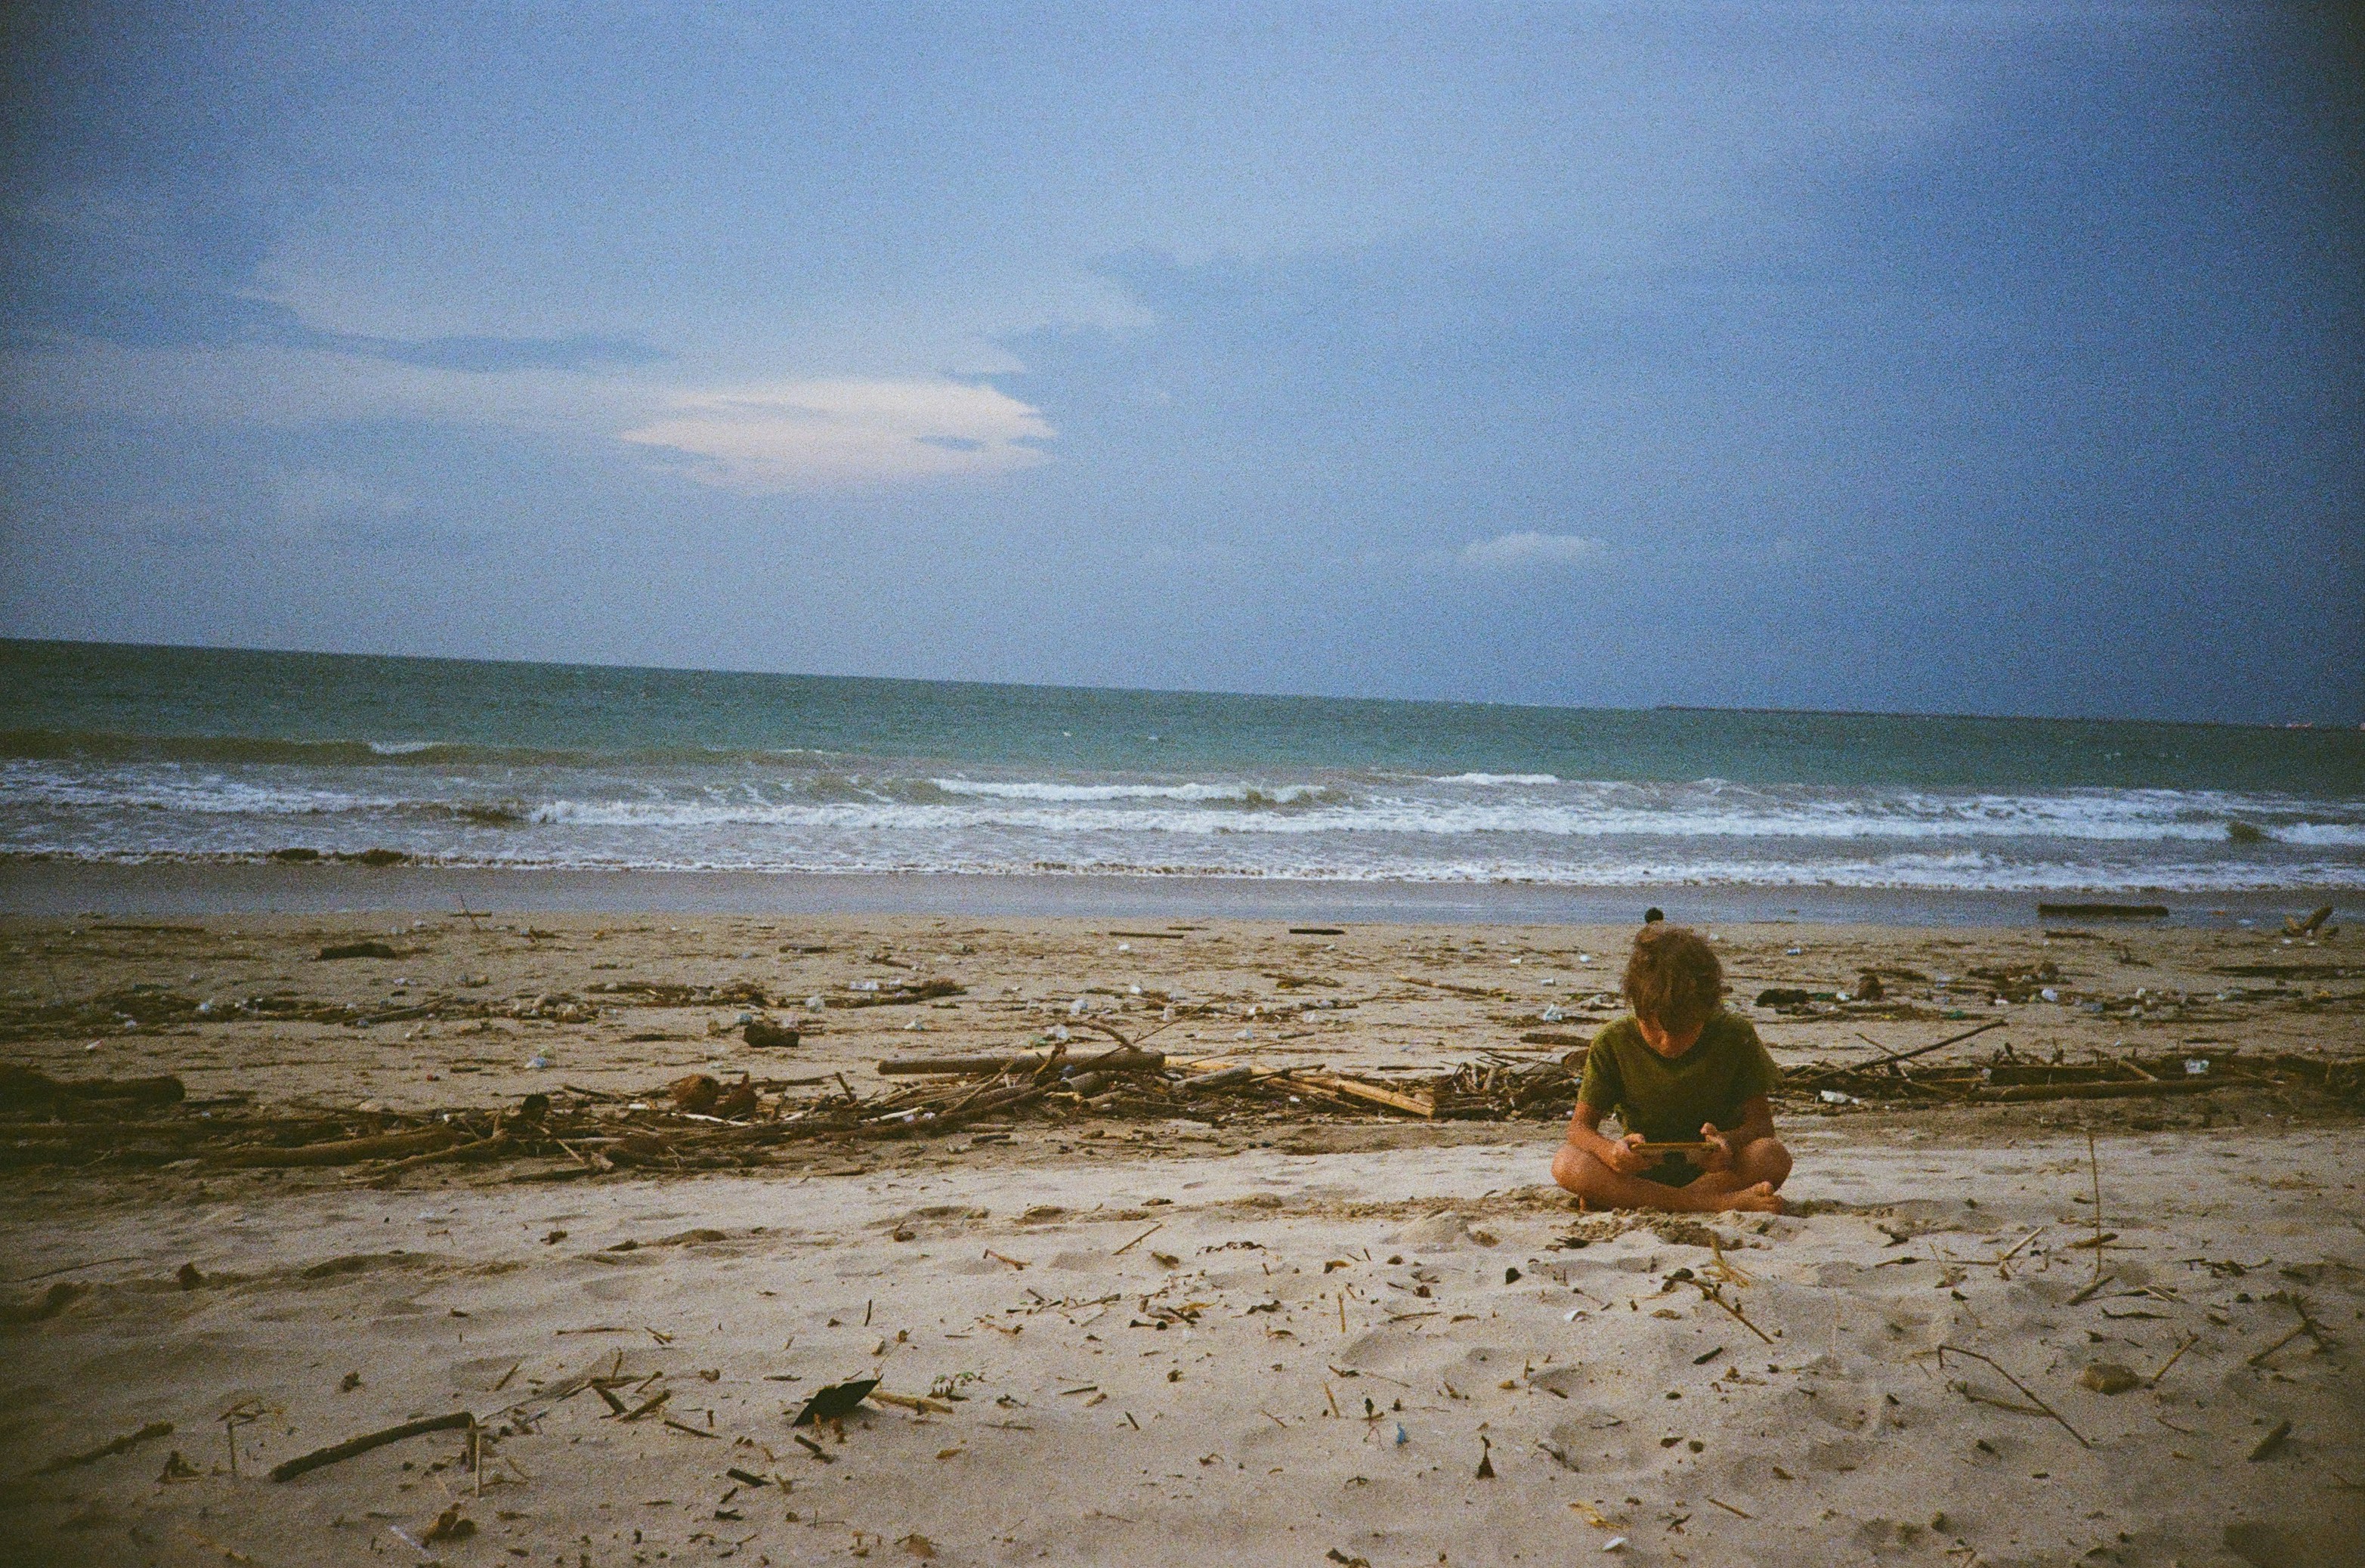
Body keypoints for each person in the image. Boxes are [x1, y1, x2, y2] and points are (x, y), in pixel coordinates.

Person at [1551, 922, 1790, 1214]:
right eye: (1653, 1028)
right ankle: (1716, 1205)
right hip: (1639, 1170)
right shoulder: (1613, 1040)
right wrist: (1612, 1153)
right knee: (1567, 1162)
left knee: (1772, 1155)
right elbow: (1579, 1129)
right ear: (1637, 1007)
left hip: (1714, 1173)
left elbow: (1762, 1126)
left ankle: (1646, 1201)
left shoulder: (1734, 1035)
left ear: (1707, 1009)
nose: (1667, 1042)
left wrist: (1726, 1143)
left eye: (1683, 1030)